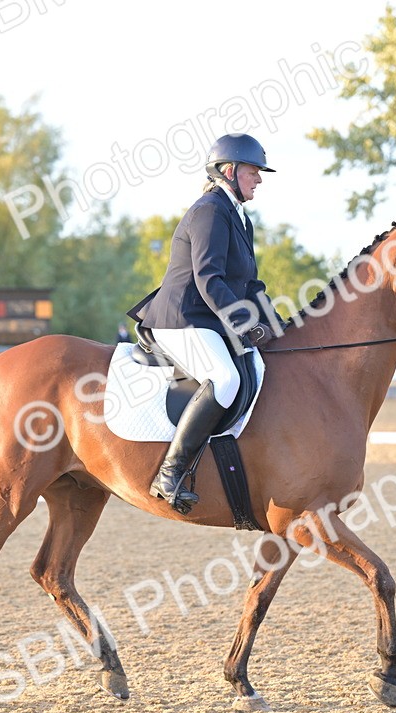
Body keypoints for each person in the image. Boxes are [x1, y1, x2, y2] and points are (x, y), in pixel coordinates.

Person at [127, 133, 285, 514]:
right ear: (229, 171)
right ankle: (170, 472)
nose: (259, 179)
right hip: (182, 319)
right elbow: (209, 279)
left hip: (206, 320)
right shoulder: (210, 210)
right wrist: (244, 324)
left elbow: (251, 285)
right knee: (226, 379)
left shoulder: (239, 217)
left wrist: (281, 326)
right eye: (253, 171)